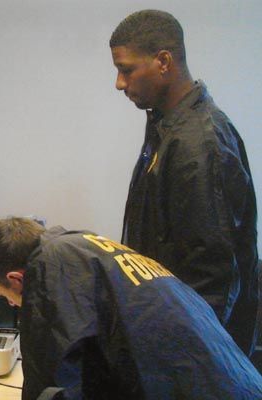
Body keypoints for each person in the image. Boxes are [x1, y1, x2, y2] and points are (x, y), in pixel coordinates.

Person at [0, 217, 262, 400]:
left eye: (4, 296)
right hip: (234, 379)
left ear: (16, 279)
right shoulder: (84, 247)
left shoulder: (49, 270)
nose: (10, 304)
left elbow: (51, 380)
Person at [110, 10, 258, 355]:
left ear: (163, 62)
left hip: (196, 358)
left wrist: (183, 365)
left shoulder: (198, 144)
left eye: (126, 69)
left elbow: (212, 282)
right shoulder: (168, 128)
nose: (119, 83)